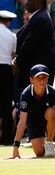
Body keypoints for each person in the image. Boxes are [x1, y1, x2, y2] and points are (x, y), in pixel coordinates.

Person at [11, 64, 55, 158]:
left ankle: (49, 142)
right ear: (31, 80)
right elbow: (22, 122)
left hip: (48, 117)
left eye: (44, 77)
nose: (42, 80)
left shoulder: (54, 93)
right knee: (40, 153)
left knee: (52, 112)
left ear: (48, 78)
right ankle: (43, 144)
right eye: (38, 77)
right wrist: (16, 147)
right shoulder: (25, 95)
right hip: (33, 120)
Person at [15, 0, 55, 98]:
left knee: (37, 105)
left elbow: (29, 43)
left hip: (39, 69)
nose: (26, 2)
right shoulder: (38, 16)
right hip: (35, 67)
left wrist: (18, 61)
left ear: (39, 3)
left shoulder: (41, 19)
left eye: (29, 0)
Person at [0, 10, 16, 144]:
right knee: (6, 105)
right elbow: (13, 56)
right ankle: (6, 138)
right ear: (8, 21)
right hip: (6, 70)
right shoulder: (12, 36)